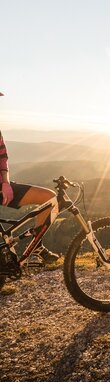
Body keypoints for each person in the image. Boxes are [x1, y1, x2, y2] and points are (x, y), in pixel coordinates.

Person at [0, 92, 59, 263]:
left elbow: (3, 157)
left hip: (2, 187)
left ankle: (36, 247)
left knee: (49, 199)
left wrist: (5, 183)